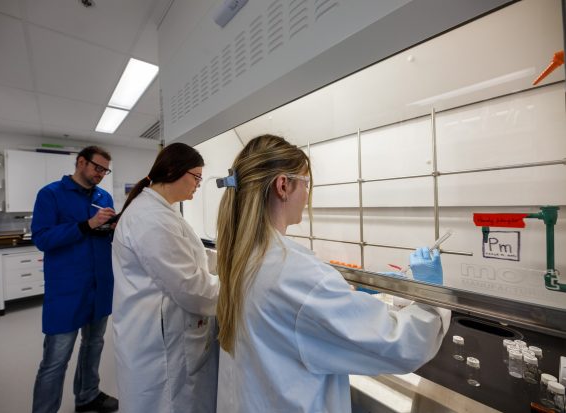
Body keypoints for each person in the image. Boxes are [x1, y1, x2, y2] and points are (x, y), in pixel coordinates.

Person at [215, 134, 451, 413]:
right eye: (305, 183)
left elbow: (293, 315)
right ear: (283, 186)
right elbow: (402, 345)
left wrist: (342, 292)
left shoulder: (243, 256)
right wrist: (429, 297)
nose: (306, 194)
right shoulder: (294, 274)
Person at [111, 142, 219, 413]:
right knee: (167, 402)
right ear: (173, 171)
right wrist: (239, 287)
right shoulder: (150, 217)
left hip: (161, 329)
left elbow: (188, 255)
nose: (197, 184)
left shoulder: (163, 210)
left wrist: (225, 263)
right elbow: (190, 287)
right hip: (158, 341)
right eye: (196, 177)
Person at [31, 146, 118, 413]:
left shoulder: (104, 197)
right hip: (67, 290)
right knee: (56, 359)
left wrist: (111, 228)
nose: (101, 174)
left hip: (100, 286)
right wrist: (86, 225)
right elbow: (43, 239)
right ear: (81, 162)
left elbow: (103, 238)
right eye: (97, 168)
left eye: (105, 170)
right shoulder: (50, 194)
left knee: (94, 346)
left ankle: (87, 396)